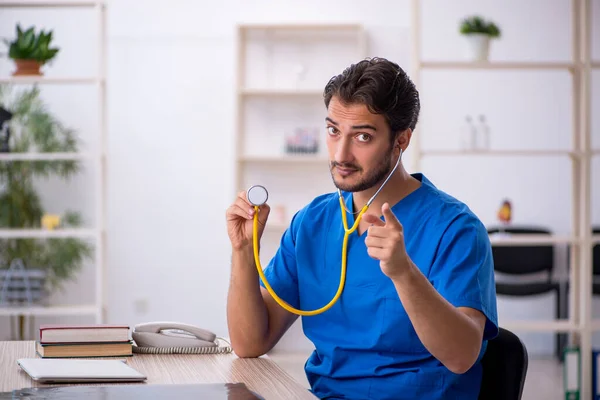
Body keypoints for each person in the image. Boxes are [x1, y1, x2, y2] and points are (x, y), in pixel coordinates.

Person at [225, 57, 498, 400]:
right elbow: (249, 343)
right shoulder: (311, 222)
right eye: (333, 130)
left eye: (363, 137)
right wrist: (242, 252)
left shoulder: (457, 229)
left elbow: (462, 357)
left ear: (402, 140)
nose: (341, 154)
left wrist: (403, 273)